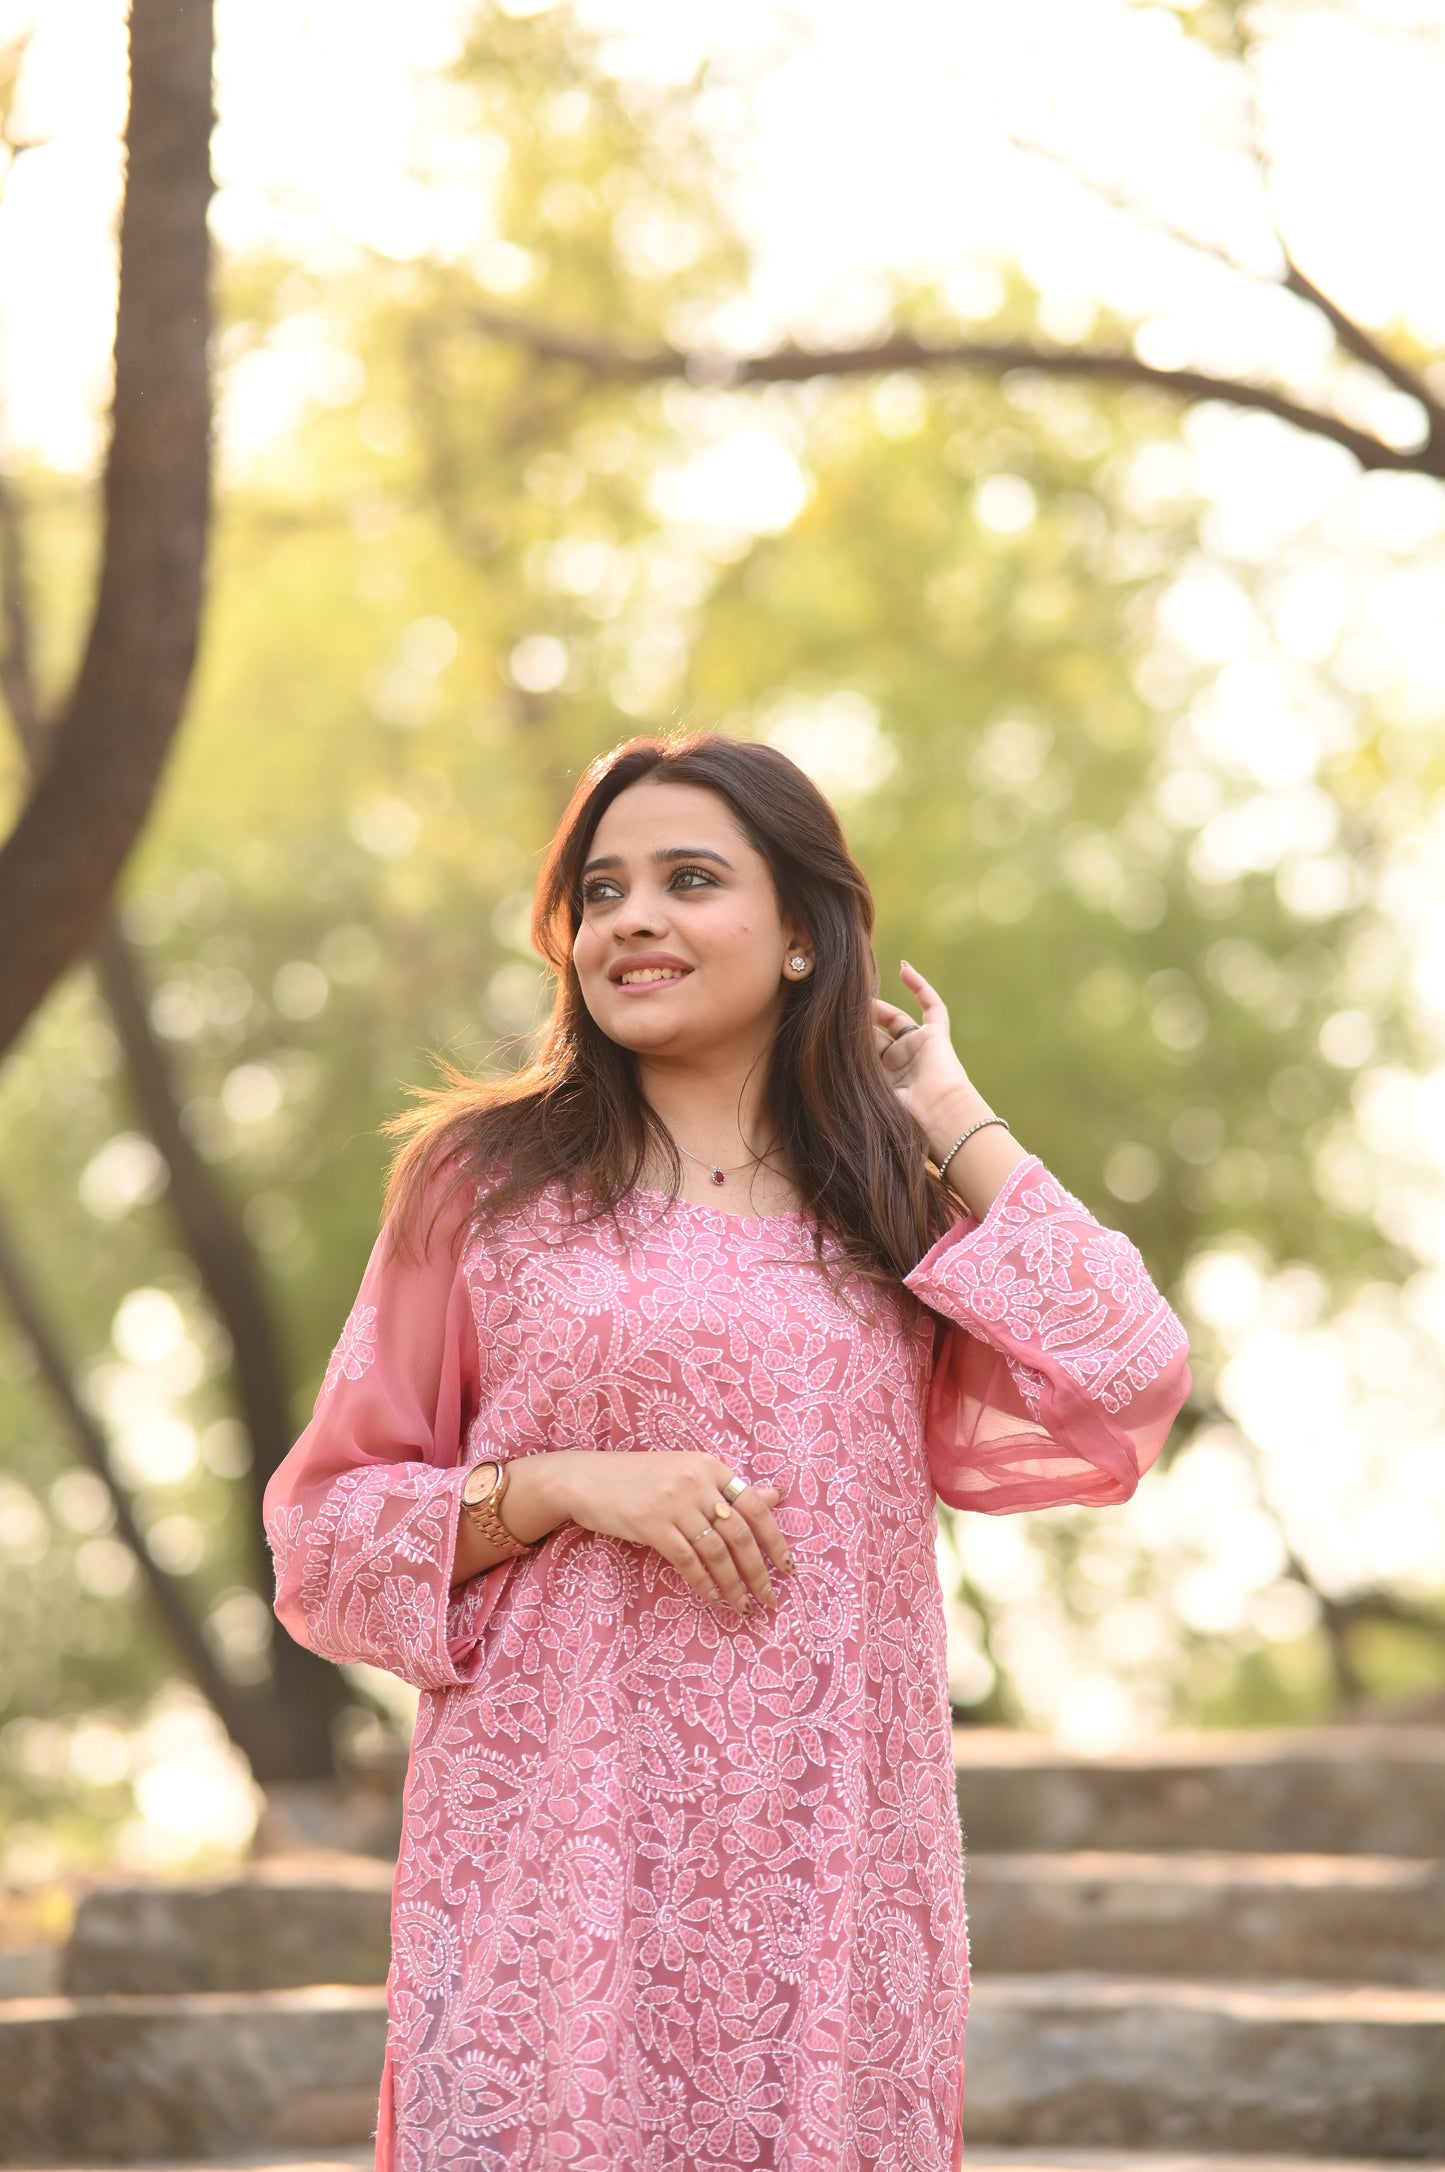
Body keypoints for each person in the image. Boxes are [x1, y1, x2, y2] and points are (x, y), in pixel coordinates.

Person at [263, 730, 1192, 2172]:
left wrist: (948, 1111)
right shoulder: (484, 1184)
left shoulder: (889, 1196)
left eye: (688, 880)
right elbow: (326, 1538)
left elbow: (1128, 1370)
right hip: (552, 1854)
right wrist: (559, 1484)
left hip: (825, 1865)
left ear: (806, 936)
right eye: (602, 890)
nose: (630, 918)